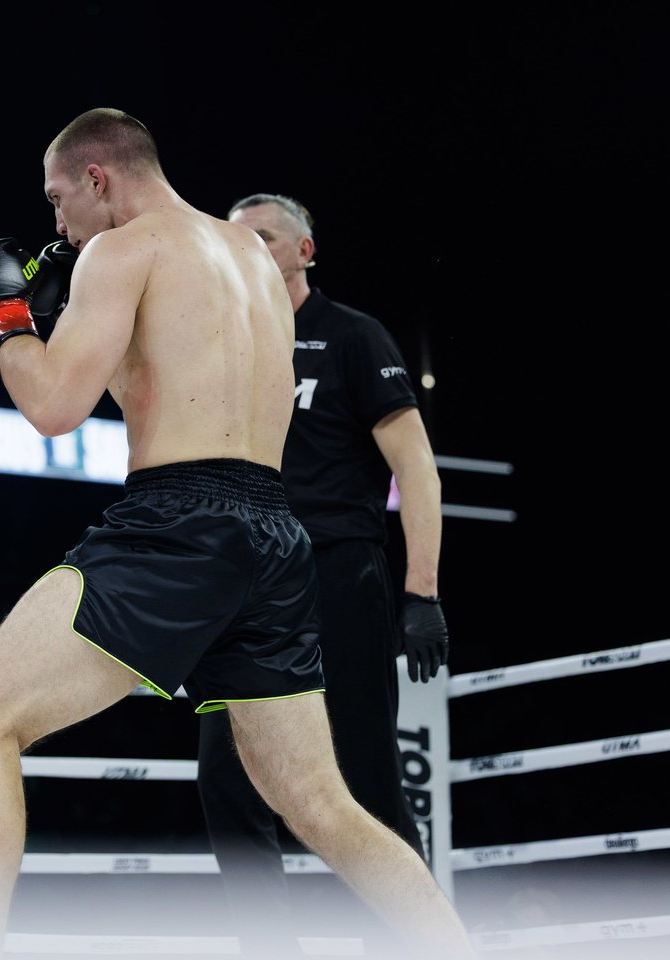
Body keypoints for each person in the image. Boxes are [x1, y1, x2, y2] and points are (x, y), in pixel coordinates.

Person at [0, 108, 473, 959]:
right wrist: (72, 325)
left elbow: (52, 407)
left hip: (178, 522)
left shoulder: (122, 250)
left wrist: (4, 320)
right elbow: (164, 392)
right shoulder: (252, 262)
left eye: (58, 199)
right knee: (323, 805)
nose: (57, 226)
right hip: (276, 533)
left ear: (98, 178)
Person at [195, 193, 450, 957]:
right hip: (244, 587)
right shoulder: (218, 344)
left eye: (265, 238)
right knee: (226, 783)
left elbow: (417, 468)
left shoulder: (352, 335)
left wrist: (422, 592)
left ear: (305, 251)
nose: (248, 251)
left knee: (366, 783)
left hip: (338, 572)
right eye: (234, 241)